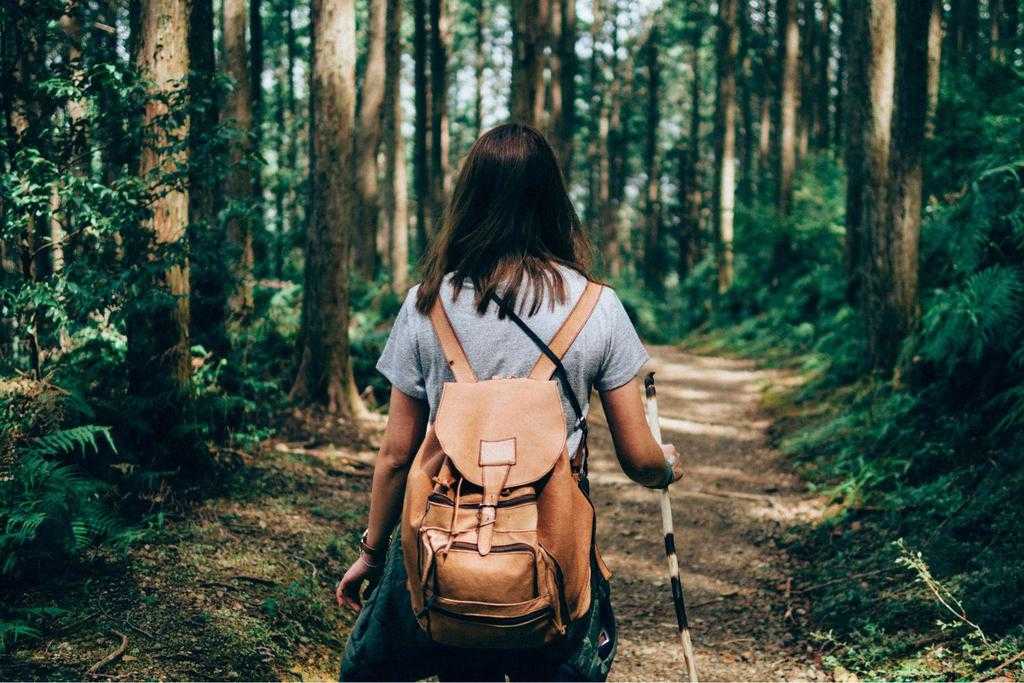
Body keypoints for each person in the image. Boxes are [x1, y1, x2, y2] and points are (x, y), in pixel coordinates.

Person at [336, 123, 683, 682]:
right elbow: (640, 460)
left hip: (440, 549)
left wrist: (372, 555)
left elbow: (396, 455)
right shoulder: (598, 307)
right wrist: (666, 464)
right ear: (553, 201)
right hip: (552, 552)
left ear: (470, 200)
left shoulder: (426, 305)